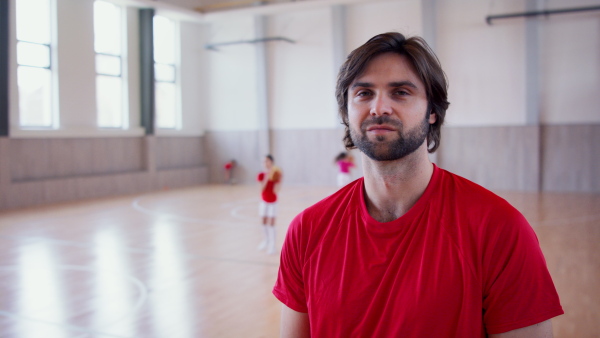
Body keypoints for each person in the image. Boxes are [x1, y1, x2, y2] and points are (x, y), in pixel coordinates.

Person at [272, 32, 563, 337]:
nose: (379, 107)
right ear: (346, 111)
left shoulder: (499, 229)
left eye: (400, 92)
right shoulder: (307, 231)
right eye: (364, 93)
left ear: (433, 111)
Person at [257, 154, 282, 255]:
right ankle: (266, 241)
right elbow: (261, 188)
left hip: (273, 202)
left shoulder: (276, 174)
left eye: (267, 161)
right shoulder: (261, 175)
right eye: (263, 161)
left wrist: (277, 179)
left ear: (271, 162)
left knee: (271, 223)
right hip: (264, 201)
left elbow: (276, 190)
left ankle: (272, 245)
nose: (265, 163)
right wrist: (267, 177)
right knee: (263, 221)